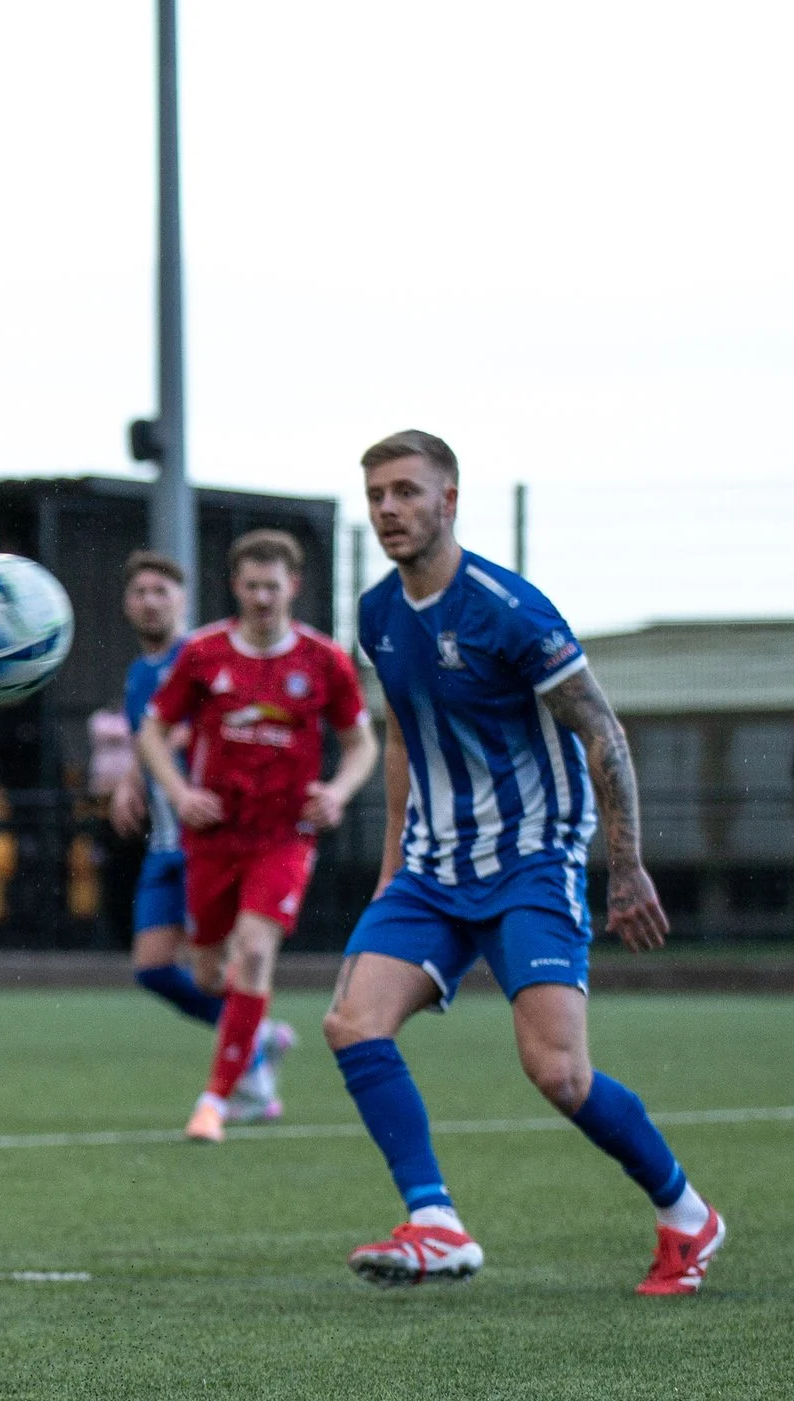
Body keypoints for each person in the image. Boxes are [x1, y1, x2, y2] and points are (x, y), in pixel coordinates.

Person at [323, 430, 722, 1294]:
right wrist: (393, 865)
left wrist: (628, 865)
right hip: (433, 868)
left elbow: (601, 729)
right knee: (352, 1023)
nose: (389, 509)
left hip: (533, 861)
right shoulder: (376, 613)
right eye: (377, 495)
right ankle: (435, 1223)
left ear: (449, 501)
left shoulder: (511, 609)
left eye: (405, 491)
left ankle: (688, 1215)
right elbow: (401, 738)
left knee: (558, 1073)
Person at [139, 531, 377, 1144]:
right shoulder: (202, 653)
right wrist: (180, 792)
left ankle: (216, 1101)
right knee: (208, 975)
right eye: (252, 586)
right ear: (236, 587)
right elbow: (152, 734)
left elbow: (362, 744)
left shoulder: (325, 661)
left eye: (274, 586)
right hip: (214, 838)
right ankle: (259, 1040)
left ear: (293, 587)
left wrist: (337, 792)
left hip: (283, 836)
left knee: (254, 951)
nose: (263, 597)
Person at [108, 550, 291, 1120]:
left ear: (183, 600)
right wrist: (131, 781)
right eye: (140, 592)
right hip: (165, 841)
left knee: (225, 963)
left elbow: (231, 721)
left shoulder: (205, 656)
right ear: (127, 604)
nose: (149, 601)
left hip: (213, 836)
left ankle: (251, 1081)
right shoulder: (140, 673)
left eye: (161, 591)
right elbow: (151, 734)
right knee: (154, 968)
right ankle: (256, 1036)